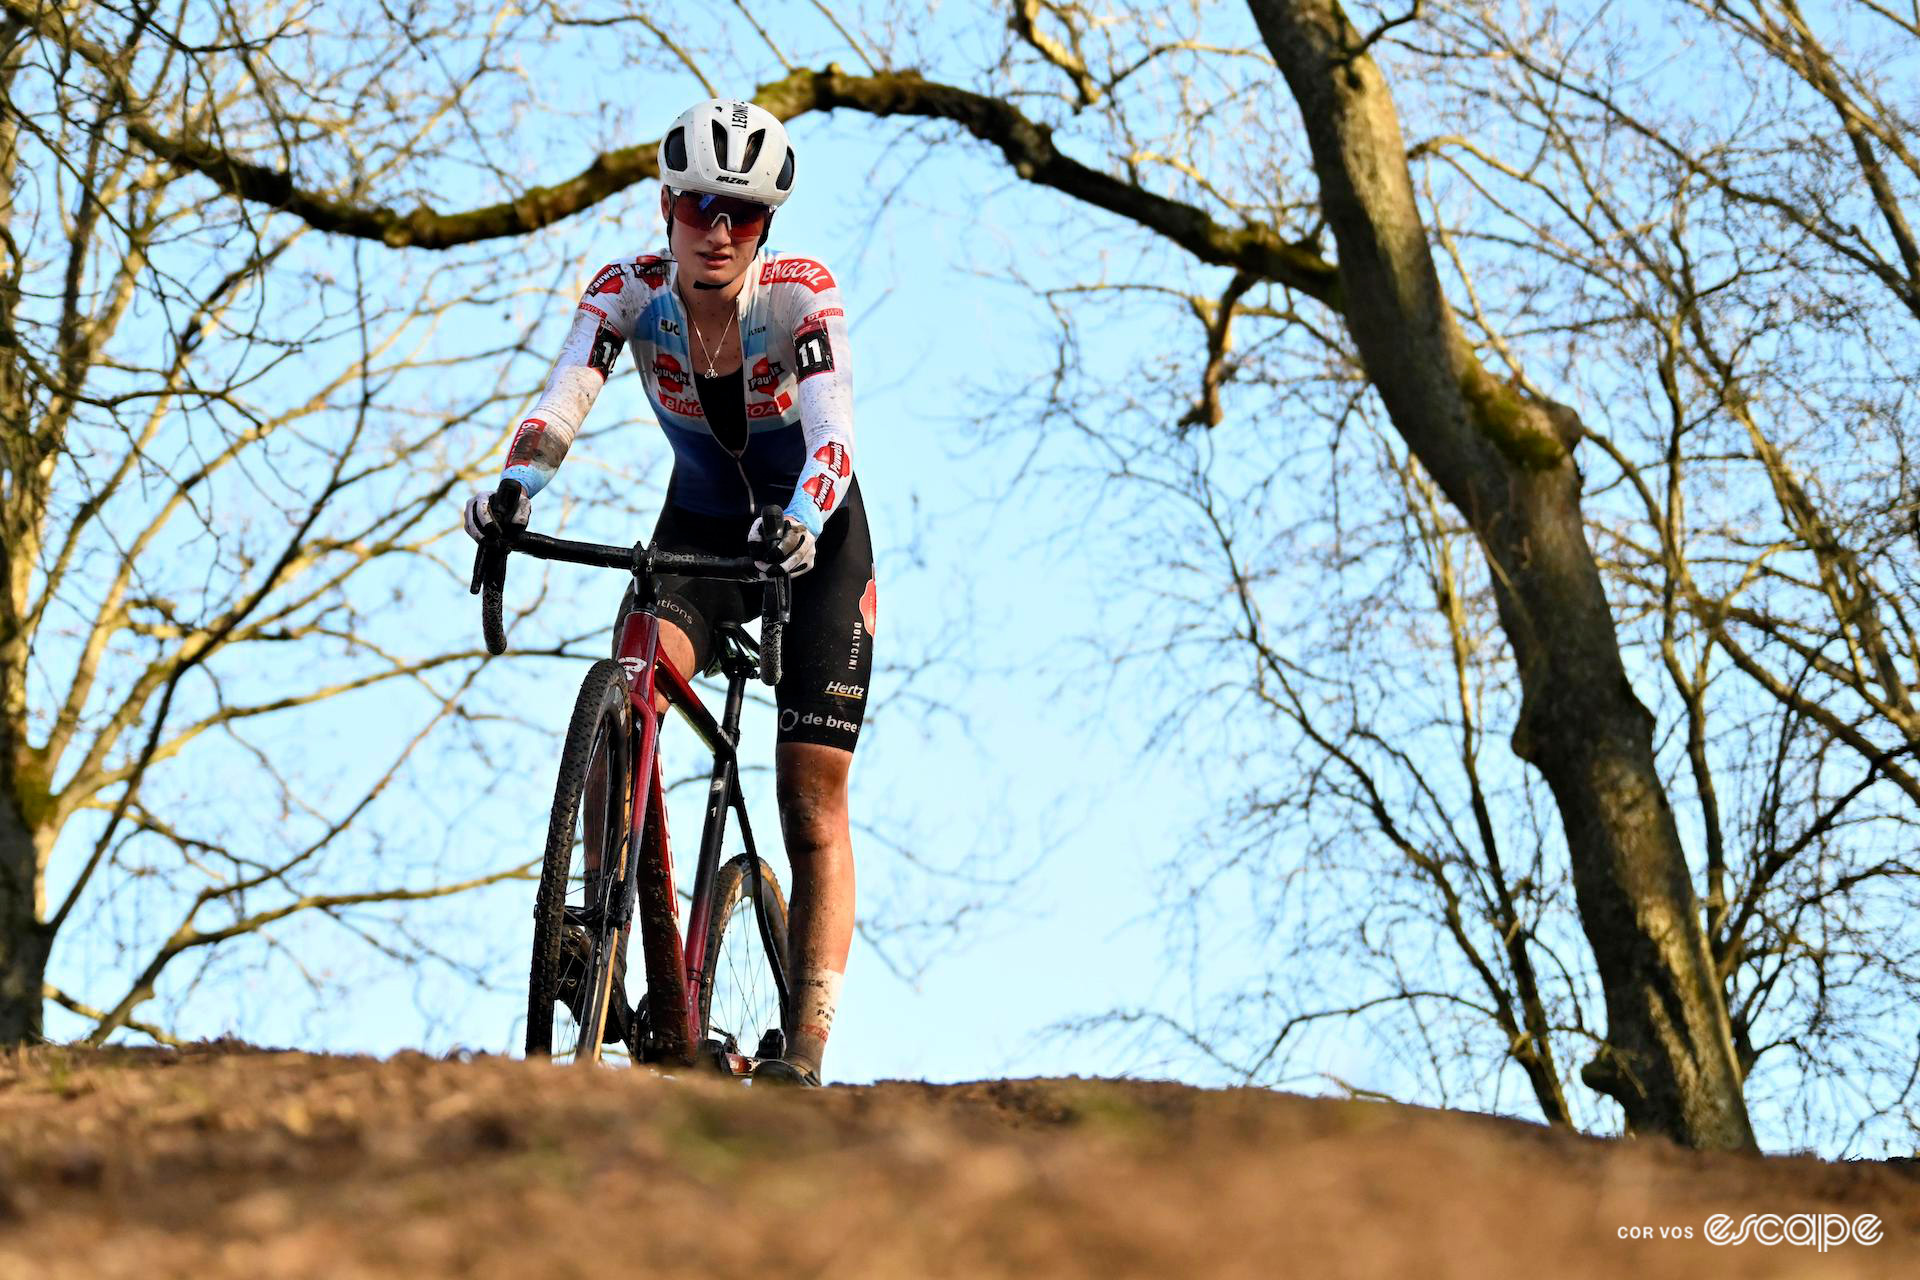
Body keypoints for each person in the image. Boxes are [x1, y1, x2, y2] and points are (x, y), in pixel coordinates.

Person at [463, 98, 873, 1087]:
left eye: (744, 214)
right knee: (631, 685)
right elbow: (562, 399)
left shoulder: (800, 298)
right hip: (694, 533)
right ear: (666, 207)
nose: (719, 231)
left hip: (814, 539)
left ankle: (806, 1042)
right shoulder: (627, 293)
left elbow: (833, 436)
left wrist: (804, 522)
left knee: (809, 793)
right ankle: (610, 936)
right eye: (699, 206)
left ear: (768, 226)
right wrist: (513, 486)